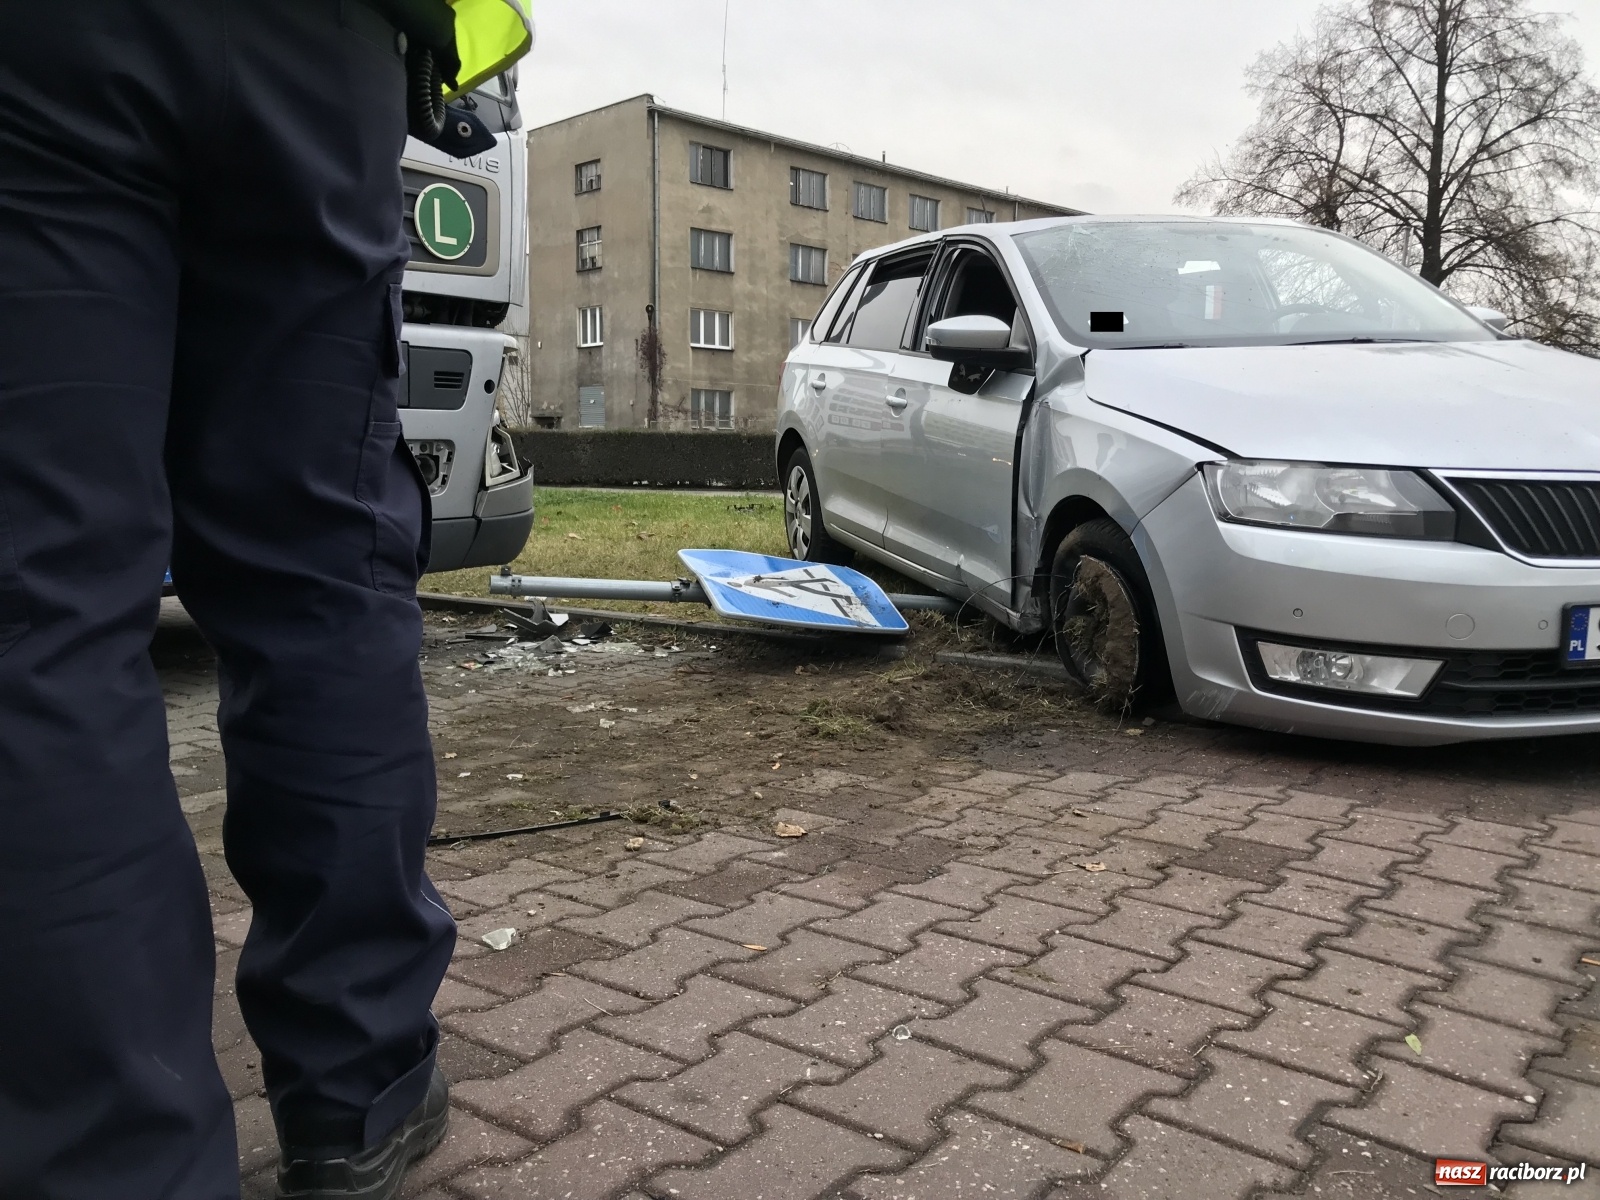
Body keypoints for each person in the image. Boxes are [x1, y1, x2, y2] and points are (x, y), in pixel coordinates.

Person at [0, 2, 529, 1197]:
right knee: (324, 579)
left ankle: (111, 1157)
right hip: (322, 49)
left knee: (38, 608)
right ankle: (361, 1086)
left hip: (45, 58)